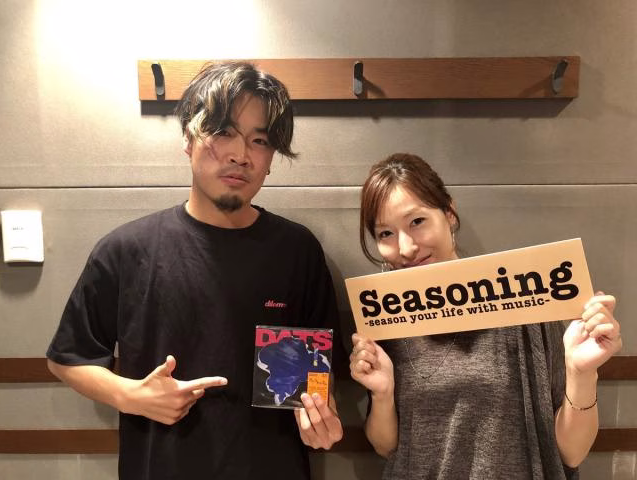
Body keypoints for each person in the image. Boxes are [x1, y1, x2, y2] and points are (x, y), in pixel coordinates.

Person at [46, 61, 343, 480]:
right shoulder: (126, 250)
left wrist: (321, 418)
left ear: (272, 157)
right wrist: (132, 395)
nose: (241, 155)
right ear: (188, 138)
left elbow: (317, 375)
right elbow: (67, 359)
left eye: (259, 140)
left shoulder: (297, 251)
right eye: (223, 132)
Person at [349, 153, 622, 479]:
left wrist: (581, 373)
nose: (405, 247)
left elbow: (571, 452)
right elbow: (386, 448)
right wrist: (382, 394)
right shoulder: (384, 319)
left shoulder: (527, 298)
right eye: (385, 233)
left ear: (449, 214)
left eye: (417, 222)